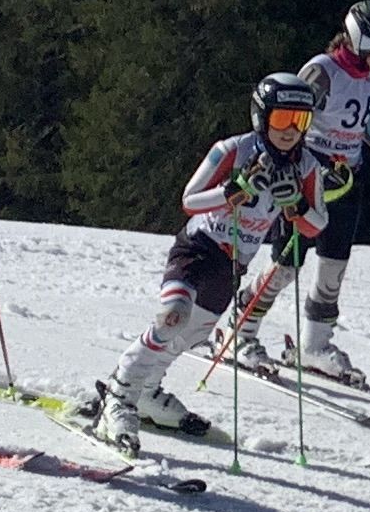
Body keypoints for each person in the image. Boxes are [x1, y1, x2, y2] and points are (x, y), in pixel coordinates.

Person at [82, 71, 331, 447]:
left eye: (301, 121)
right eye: (283, 118)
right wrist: (232, 191)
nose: (291, 130)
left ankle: (148, 391)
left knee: (190, 336)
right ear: (262, 116)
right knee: (172, 317)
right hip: (199, 248)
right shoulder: (233, 150)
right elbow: (189, 199)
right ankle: (119, 395)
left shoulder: (306, 166)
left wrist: (295, 206)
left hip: (233, 264)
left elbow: (317, 223)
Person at [260, 0, 370, 383]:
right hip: (310, 178)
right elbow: (291, 123)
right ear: (362, 39)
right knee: (287, 261)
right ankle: (241, 326)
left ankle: (314, 344)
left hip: (348, 180)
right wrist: (304, 168)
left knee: (334, 264)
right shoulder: (323, 71)